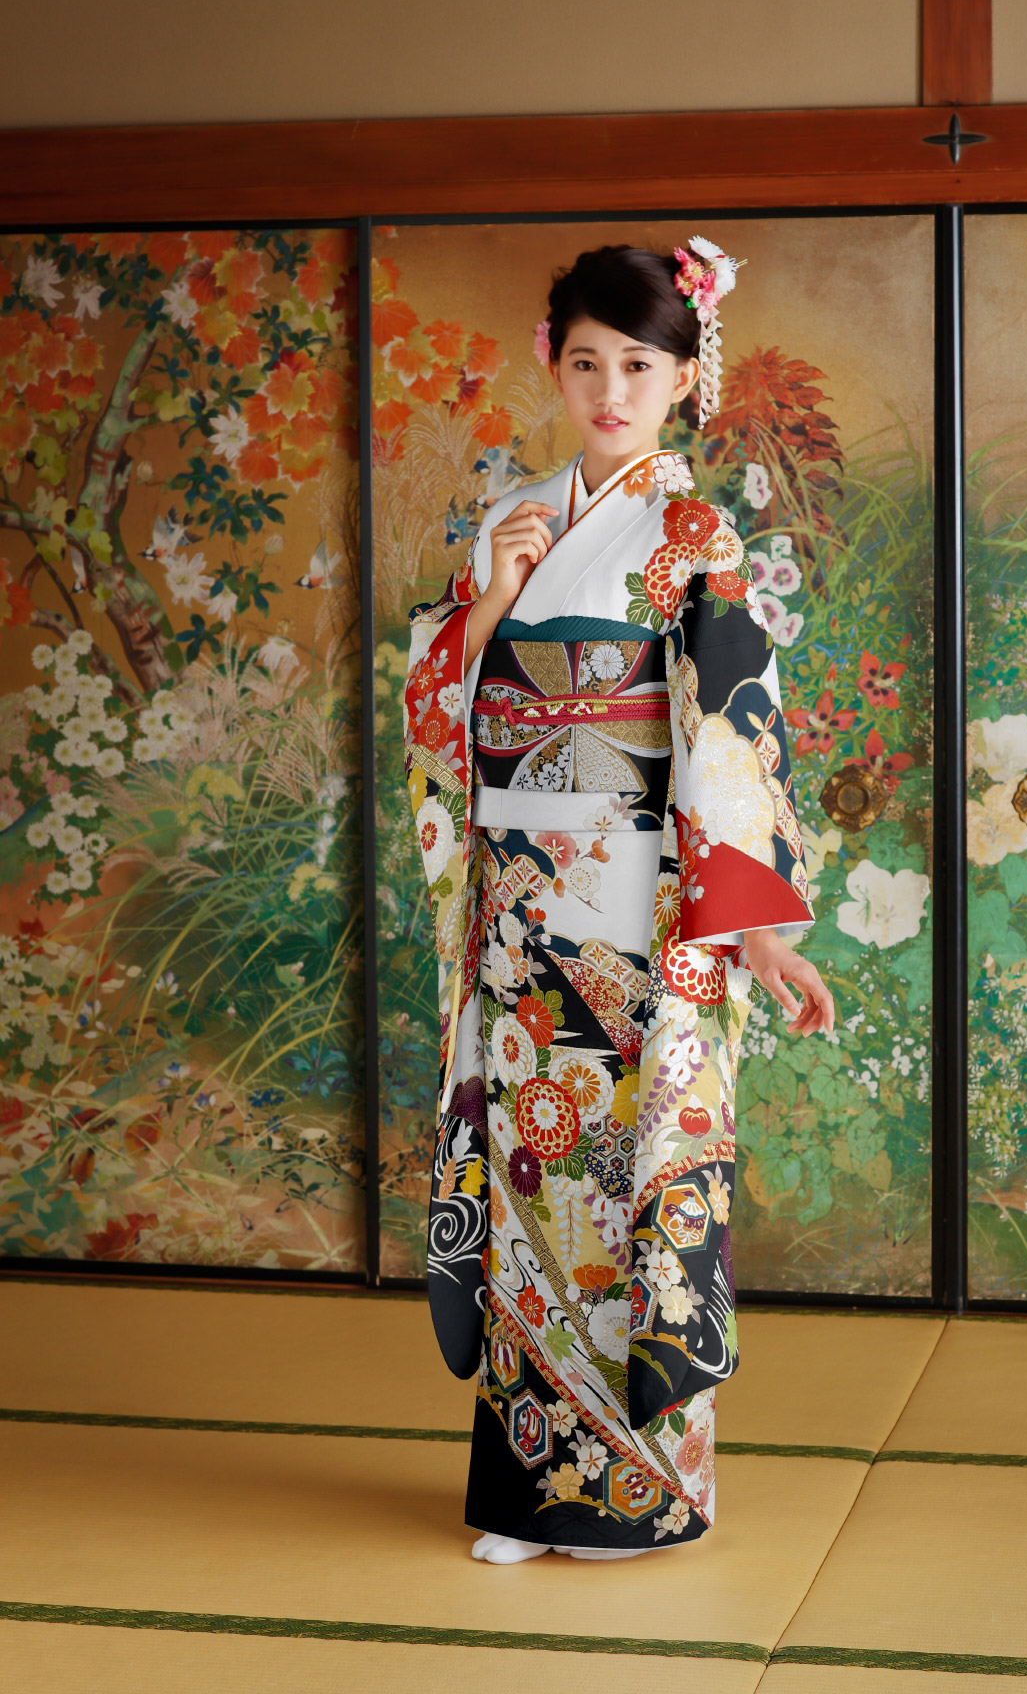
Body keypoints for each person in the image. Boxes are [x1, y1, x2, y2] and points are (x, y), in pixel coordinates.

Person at [403, 240, 835, 1565]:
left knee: (623, 1182)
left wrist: (758, 927)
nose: (610, 391)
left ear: (684, 378)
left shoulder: (694, 539)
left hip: (640, 909)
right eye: (586, 361)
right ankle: (533, 1491)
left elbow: (732, 732)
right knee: (528, 1175)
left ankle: (640, 1488)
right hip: (520, 907)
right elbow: (438, 710)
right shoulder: (513, 517)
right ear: (553, 363)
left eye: (639, 366)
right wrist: (490, 603)